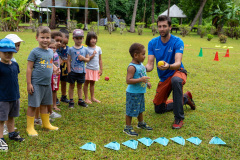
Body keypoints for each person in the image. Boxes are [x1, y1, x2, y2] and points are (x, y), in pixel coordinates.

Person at [146, 15, 196, 129]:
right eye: (159, 26)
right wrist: (140, 68)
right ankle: (184, 98)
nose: (162, 29)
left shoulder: (177, 41)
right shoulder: (152, 43)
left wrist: (168, 66)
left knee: (176, 80)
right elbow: (150, 65)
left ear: (170, 27)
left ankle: (179, 118)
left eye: (164, 26)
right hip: (164, 78)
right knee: (159, 109)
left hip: (177, 71)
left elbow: (178, 63)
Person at [26, 26, 60, 136]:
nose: (45, 40)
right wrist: (29, 83)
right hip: (36, 83)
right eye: (42, 37)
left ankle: (46, 123)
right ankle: (30, 127)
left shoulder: (50, 51)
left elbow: (50, 63)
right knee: (33, 105)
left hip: (47, 83)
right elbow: (29, 68)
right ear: (36, 38)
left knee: (45, 104)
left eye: (47, 37)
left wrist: (55, 69)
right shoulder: (34, 52)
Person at [0, 38, 24, 152]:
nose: (8, 54)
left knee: (11, 116)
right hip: (2, 98)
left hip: (14, 96)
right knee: (1, 119)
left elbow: (15, 79)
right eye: (5, 52)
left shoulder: (15, 65)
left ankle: (12, 133)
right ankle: (0, 138)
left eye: (10, 52)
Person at [123, 43, 153, 136]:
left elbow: (142, 76)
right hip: (132, 93)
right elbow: (128, 80)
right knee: (130, 111)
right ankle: (127, 128)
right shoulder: (132, 67)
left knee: (140, 109)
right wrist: (141, 80)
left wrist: (146, 82)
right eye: (143, 54)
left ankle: (141, 123)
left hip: (140, 92)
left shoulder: (141, 65)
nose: (145, 56)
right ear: (135, 55)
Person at [67, 29, 90, 108]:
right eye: (77, 38)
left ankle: (80, 100)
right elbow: (68, 60)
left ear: (83, 38)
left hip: (81, 71)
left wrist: (83, 58)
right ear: (73, 38)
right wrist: (69, 70)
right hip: (73, 71)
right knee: (71, 86)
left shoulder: (85, 49)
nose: (79, 40)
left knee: (80, 86)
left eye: (80, 38)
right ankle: (71, 101)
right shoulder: (70, 49)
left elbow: (88, 59)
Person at [83, 32, 103, 104]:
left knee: (92, 83)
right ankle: (86, 98)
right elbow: (86, 59)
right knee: (86, 83)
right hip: (88, 69)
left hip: (95, 69)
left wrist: (101, 69)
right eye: (91, 39)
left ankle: (92, 97)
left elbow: (100, 59)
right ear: (88, 40)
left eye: (94, 38)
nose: (93, 40)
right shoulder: (86, 49)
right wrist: (92, 55)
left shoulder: (98, 48)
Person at [51, 31, 64, 106]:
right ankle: (52, 102)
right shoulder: (50, 52)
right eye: (57, 41)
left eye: (60, 41)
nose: (59, 43)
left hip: (56, 74)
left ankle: (54, 101)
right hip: (51, 74)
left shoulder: (56, 51)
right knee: (51, 88)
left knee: (55, 88)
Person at [58, 29, 70, 104]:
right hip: (57, 68)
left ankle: (63, 96)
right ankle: (54, 97)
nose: (63, 45)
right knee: (55, 82)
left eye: (65, 43)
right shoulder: (57, 48)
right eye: (62, 42)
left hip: (65, 68)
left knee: (64, 82)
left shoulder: (68, 48)